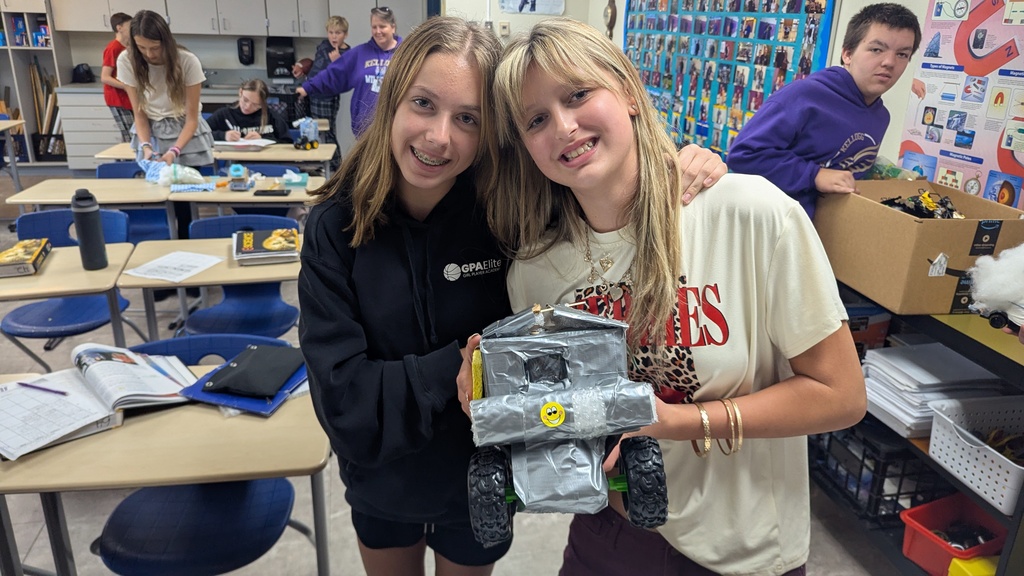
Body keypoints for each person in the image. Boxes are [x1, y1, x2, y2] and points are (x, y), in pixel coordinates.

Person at [297, 16, 725, 576]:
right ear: (391, 101)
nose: (438, 137)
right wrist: (461, 365)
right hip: (382, 482)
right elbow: (344, 404)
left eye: (467, 118)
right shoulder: (337, 226)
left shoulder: (511, 212)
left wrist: (691, 161)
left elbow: (604, 182)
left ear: (491, 132)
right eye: (423, 104)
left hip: (482, 478)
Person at [457, 18, 865, 576]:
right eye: (536, 119)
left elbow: (840, 394)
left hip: (740, 547)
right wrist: (490, 385)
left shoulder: (751, 215)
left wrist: (679, 423)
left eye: (578, 94)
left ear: (626, 91)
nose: (564, 127)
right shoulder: (535, 271)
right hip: (608, 533)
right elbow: (558, 416)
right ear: (526, 146)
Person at [728, 3, 921, 218]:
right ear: (847, 54)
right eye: (876, 49)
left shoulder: (881, 117)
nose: (889, 62)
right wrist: (814, 175)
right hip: (773, 229)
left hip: (828, 231)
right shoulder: (803, 96)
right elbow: (743, 155)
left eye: (902, 54)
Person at [118, 9, 214, 240]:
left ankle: (186, 244)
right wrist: (146, 146)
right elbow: (139, 115)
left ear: (166, 41)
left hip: (184, 132)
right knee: (154, 196)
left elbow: (192, 118)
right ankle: (159, 244)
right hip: (152, 130)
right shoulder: (127, 60)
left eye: (154, 47)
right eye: (142, 48)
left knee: (184, 205)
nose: (149, 54)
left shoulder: (187, 61)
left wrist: (173, 151)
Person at [296, 7, 401, 138]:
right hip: (366, 129)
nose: (378, 31)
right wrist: (307, 88)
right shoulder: (360, 53)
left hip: (394, 127)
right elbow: (334, 73)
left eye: (382, 26)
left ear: (393, 27)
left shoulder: (404, 54)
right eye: (374, 27)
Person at [293, 15, 351, 169]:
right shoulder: (324, 45)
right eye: (331, 32)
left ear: (345, 34)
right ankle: (319, 165)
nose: (334, 36)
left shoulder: (347, 54)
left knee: (327, 132)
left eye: (338, 33)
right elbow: (315, 63)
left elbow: (344, 80)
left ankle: (336, 167)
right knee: (310, 129)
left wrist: (337, 63)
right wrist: (301, 65)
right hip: (310, 92)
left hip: (326, 97)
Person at [206, 79, 292, 143]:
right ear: (240, 92)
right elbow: (201, 135)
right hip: (235, 162)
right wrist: (223, 136)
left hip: (265, 161)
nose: (247, 107)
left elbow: (287, 142)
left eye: (255, 104)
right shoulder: (224, 114)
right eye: (245, 100)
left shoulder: (272, 116)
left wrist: (262, 140)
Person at [100, 12, 133, 143]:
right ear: (119, 28)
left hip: (128, 97)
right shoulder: (113, 48)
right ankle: (129, 162)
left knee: (135, 132)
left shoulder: (127, 47)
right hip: (118, 98)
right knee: (130, 135)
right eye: (130, 26)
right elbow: (105, 77)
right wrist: (126, 86)